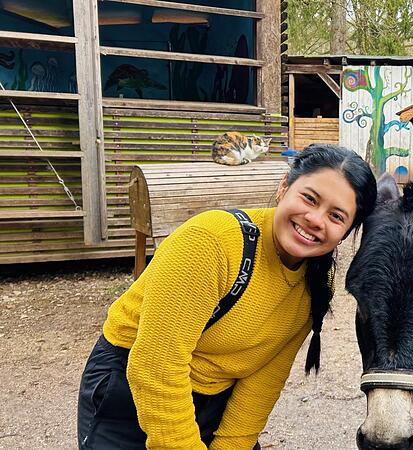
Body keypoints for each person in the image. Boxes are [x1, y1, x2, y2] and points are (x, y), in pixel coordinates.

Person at [77, 144, 377, 449]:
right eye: (309, 198)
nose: (315, 219)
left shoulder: (316, 282)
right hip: (129, 388)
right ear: (284, 187)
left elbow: (264, 379)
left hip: (215, 399)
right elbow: (156, 366)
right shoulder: (212, 242)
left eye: (336, 216)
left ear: (347, 231)